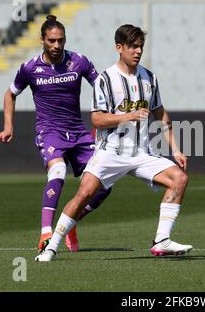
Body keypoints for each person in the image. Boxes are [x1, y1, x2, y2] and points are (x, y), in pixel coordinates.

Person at [35, 24, 192, 262]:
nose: (137, 51)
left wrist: (176, 149)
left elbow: (160, 113)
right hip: (110, 152)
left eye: (140, 46)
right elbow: (97, 118)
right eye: (132, 46)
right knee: (84, 194)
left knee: (179, 179)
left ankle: (161, 240)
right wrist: (126, 116)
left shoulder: (150, 78)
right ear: (119, 48)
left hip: (140, 153)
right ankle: (51, 247)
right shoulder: (106, 80)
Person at [0, 15, 112, 253]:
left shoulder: (79, 62)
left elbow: (102, 87)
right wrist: (8, 126)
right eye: (51, 41)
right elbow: (10, 94)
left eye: (61, 40)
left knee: (105, 185)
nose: (57, 45)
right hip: (49, 131)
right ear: (42, 40)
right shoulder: (29, 68)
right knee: (57, 171)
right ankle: (46, 234)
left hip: (78, 133)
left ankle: (71, 221)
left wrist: (102, 120)